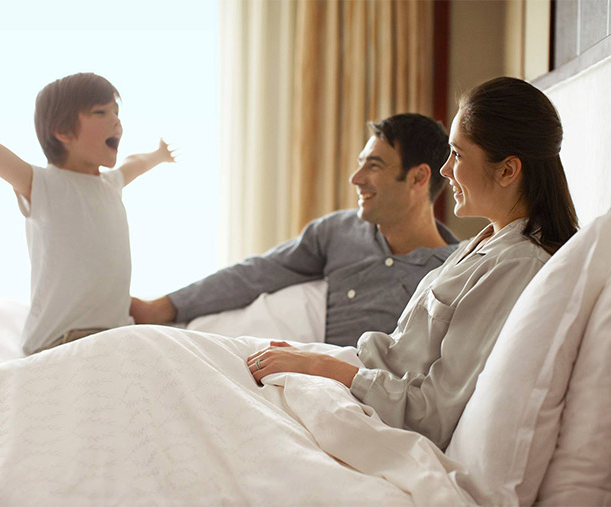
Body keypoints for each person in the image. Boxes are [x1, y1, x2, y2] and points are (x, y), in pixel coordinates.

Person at [245, 76, 578, 449]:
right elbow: (396, 355)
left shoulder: (517, 265)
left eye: (458, 154)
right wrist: (314, 356)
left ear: (507, 170)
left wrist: (322, 367)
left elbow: (431, 414)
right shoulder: (483, 245)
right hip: (357, 381)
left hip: (371, 409)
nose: (445, 169)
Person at [0, 64, 176, 355]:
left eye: (116, 112)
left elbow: (136, 162)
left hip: (115, 332)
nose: (116, 121)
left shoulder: (112, 183)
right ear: (62, 131)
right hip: (60, 340)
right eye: (101, 112)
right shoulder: (44, 186)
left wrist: (158, 155)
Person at [131, 113, 459, 347]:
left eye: (373, 166)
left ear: (418, 178)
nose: (355, 178)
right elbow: (257, 274)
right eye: (360, 163)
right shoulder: (339, 231)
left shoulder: (453, 273)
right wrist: (162, 307)